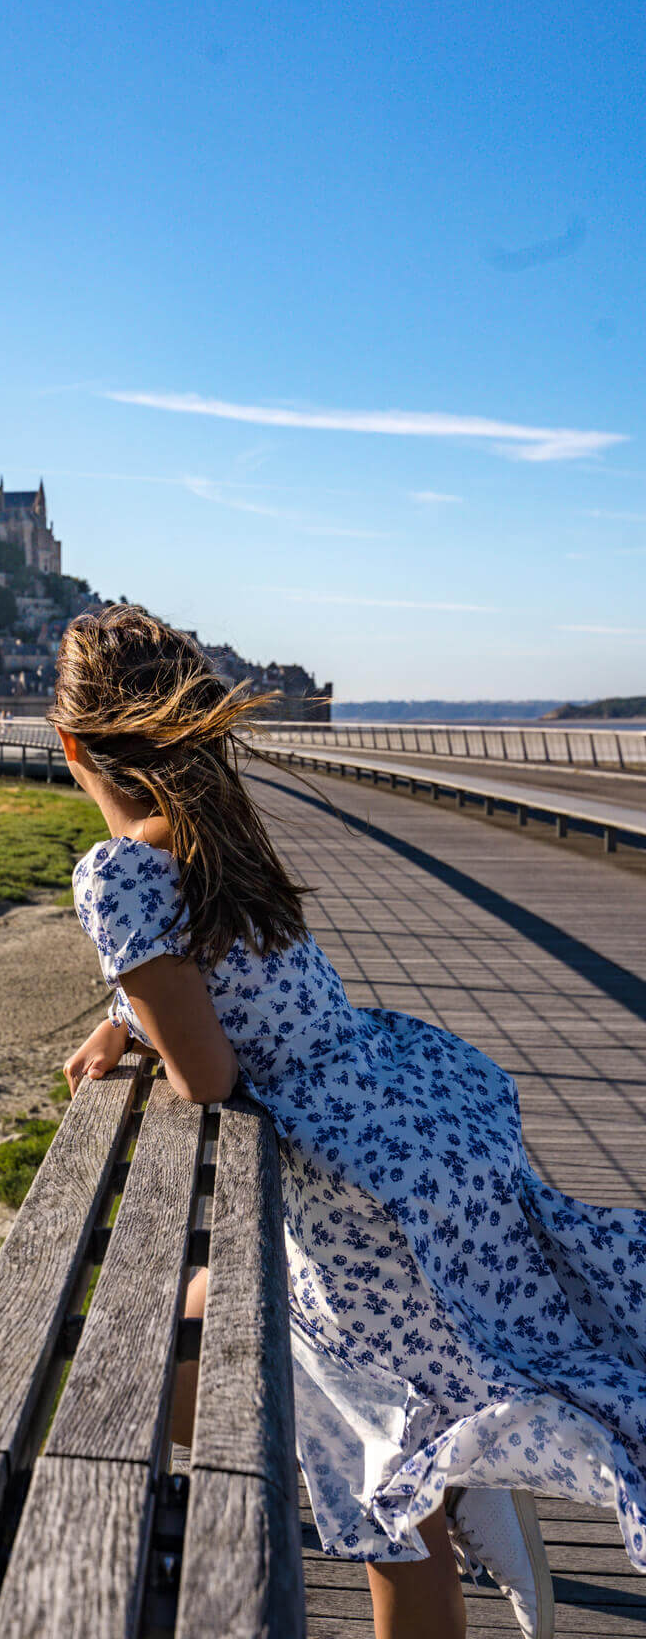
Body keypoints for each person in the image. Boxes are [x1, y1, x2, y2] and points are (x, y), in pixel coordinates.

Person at [55, 605, 646, 1639]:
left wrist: (145, 1030)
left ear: (70, 747)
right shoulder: (220, 833)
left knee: (377, 1495)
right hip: (410, 1131)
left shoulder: (118, 871)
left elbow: (202, 1072)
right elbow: (224, 990)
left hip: (357, 1196)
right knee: (205, 1342)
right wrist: (124, 1019)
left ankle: (452, 1475)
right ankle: (457, 1467)